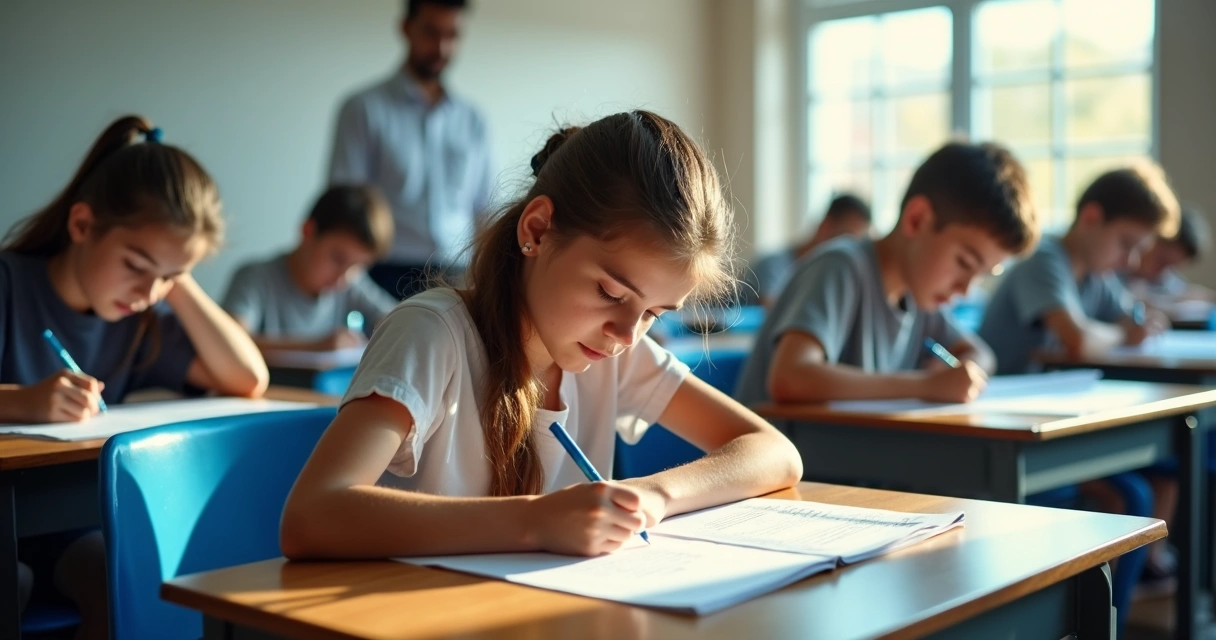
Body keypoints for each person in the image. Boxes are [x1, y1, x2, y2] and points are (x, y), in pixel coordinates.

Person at [280, 110, 802, 560]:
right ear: (536, 230)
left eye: (653, 313)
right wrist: (534, 522)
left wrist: (653, 496)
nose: (626, 334)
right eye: (611, 292)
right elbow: (311, 514)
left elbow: (773, 452)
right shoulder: (432, 334)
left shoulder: (613, 352)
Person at [0, 115, 268, 638]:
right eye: (135, 264)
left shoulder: (138, 319)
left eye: (168, 276)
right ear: (81, 226)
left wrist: (176, 275)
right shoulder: (10, 284)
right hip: (9, 513)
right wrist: (21, 403)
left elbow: (247, 377)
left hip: (70, 522)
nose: (147, 292)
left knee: (130, 577)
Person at [734, 142, 1038, 407]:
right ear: (917, 220)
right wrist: (926, 386)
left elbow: (981, 354)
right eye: (964, 263)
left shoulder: (919, 297)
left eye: (983, 274)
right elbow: (790, 377)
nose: (966, 289)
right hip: (779, 468)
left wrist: (964, 372)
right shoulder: (842, 267)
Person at [328, 0, 494, 298]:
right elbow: (345, 204)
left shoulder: (473, 121)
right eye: (431, 33)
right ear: (406, 28)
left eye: (452, 35)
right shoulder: (363, 109)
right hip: (383, 274)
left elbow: (484, 207)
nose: (442, 48)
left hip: (457, 274)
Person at [223, 185, 398, 355]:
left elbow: (398, 319)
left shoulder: (351, 283)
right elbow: (229, 342)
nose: (344, 276)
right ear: (308, 232)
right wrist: (315, 346)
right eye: (338, 258)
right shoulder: (255, 278)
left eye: (359, 266)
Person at [748, 193, 872, 307]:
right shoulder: (773, 265)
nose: (850, 249)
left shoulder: (828, 277)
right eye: (846, 238)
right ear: (826, 227)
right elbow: (770, 306)